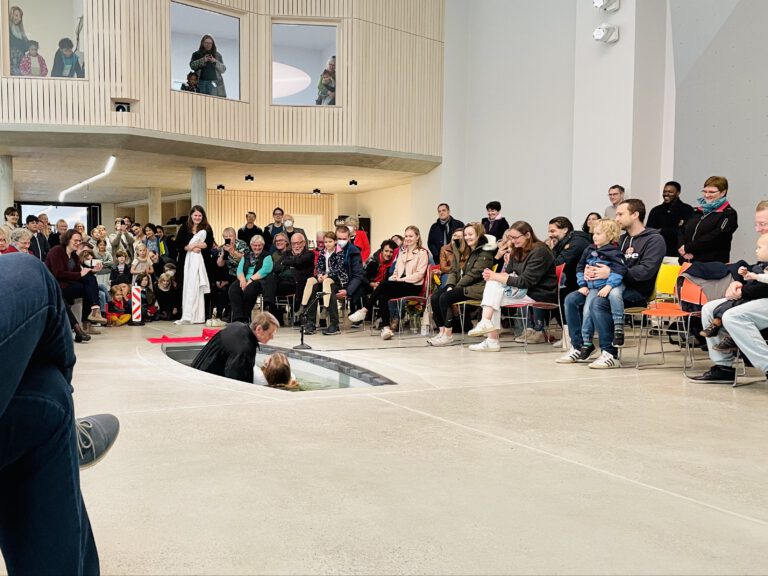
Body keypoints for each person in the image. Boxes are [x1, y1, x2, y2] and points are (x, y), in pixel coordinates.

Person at [0, 254, 120, 575]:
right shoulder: (56, 253)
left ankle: (66, 422)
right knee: (27, 272)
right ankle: (71, 427)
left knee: (44, 395)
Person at [559, 199, 665, 368]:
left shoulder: (654, 240)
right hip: (606, 285)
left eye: (621, 214)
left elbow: (645, 272)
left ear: (635, 215)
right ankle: (579, 346)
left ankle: (610, 353)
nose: (616, 218)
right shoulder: (620, 240)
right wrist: (589, 272)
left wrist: (611, 273)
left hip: (636, 291)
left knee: (599, 303)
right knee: (571, 298)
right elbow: (598, 259)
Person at [690, 213, 768, 385]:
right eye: (756, 224)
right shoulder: (764, 244)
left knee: (733, 316)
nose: (757, 229)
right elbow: (759, 273)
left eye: (762, 223)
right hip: (757, 295)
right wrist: (738, 283)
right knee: (709, 308)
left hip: (762, 297)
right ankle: (723, 367)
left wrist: (744, 291)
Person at [466, 222, 557, 351]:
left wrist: (496, 276)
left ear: (527, 235)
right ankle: (487, 327)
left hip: (538, 292)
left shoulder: (540, 250)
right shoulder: (517, 249)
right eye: (511, 238)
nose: (512, 241)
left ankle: (490, 337)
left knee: (493, 294)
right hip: (522, 291)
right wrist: (494, 277)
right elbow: (509, 272)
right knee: (493, 292)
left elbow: (525, 281)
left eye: (515, 238)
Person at [349, 227, 429, 339]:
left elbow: (419, 275)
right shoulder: (402, 252)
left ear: (417, 237)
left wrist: (400, 279)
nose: (408, 238)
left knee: (383, 284)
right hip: (400, 284)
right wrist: (394, 277)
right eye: (406, 236)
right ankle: (386, 328)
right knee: (383, 294)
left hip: (414, 286)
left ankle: (365, 309)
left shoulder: (422, 253)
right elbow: (396, 271)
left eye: (411, 236)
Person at [428, 223, 496, 347]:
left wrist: (456, 287)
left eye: (471, 234)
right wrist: (450, 285)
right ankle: (442, 332)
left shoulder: (485, 252)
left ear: (479, 234)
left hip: (477, 287)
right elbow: (454, 270)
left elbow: (475, 274)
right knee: (435, 297)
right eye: (465, 235)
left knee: (445, 298)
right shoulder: (463, 249)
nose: (467, 237)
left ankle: (448, 336)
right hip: (463, 285)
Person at [572, 219, 627, 351]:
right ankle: (586, 342)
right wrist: (582, 284)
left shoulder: (615, 252)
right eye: (594, 233)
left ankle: (618, 327)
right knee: (586, 311)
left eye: (599, 234)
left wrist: (609, 286)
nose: (594, 236)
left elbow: (620, 270)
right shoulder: (589, 249)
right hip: (592, 287)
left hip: (610, 285)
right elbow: (580, 267)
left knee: (615, 296)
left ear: (609, 235)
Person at [45, 229, 108, 343]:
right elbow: (57, 273)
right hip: (53, 287)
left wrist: (92, 271)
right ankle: (78, 329)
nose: (78, 243)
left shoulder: (74, 256)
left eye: (79, 240)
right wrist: (80, 273)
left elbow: (78, 276)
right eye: (75, 240)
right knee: (62, 298)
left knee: (90, 279)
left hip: (67, 286)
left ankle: (94, 310)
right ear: (68, 239)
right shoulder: (57, 251)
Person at [301, 227, 364, 336]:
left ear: (349, 238)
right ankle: (310, 322)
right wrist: (320, 275)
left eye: (344, 238)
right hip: (328, 279)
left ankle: (334, 324)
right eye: (339, 238)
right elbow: (321, 265)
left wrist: (348, 290)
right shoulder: (327, 250)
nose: (341, 241)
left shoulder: (353, 251)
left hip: (344, 282)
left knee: (330, 289)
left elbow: (358, 275)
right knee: (314, 287)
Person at [191, 312, 279, 383]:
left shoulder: (237, 326)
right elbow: (237, 382)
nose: (272, 337)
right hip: (204, 383)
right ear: (259, 329)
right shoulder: (245, 349)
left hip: (196, 371)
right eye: (270, 334)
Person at [678, 176, 738, 264]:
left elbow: (716, 237)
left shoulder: (728, 214)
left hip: (710, 265)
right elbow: (682, 230)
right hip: (686, 262)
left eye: (711, 192)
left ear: (723, 192)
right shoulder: (696, 211)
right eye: (705, 191)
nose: (707, 195)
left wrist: (688, 248)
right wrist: (682, 248)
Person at [175, 205, 214, 324]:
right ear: (191, 215)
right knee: (185, 286)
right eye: (195, 215)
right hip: (185, 262)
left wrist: (196, 246)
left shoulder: (207, 228)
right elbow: (178, 244)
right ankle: (186, 313)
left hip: (203, 261)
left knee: (201, 287)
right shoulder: (184, 227)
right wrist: (190, 248)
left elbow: (209, 243)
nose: (197, 217)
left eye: (200, 215)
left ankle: (203, 315)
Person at [228, 235, 273, 324]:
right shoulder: (246, 256)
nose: (257, 247)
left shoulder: (267, 256)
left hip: (258, 280)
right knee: (233, 289)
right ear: (251, 245)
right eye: (255, 245)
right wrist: (242, 280)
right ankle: (238, 318)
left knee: (250, 290)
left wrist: (251, 280)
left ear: (263, 245)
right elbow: (240, 269)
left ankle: (246, 317)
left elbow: (266, 270)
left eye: (259, 245)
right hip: (244, 279)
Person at [546, 216, 591, 302]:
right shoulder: (564, 242)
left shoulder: (576, 243)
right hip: (574, 284)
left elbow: (557, 264)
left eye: (552, 231)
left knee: (543, 294)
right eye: (549, 232)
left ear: (565, 230)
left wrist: (552, 250)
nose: (550, 235)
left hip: (582, 286)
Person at [354, 239, 398, 325]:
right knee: (359, 291)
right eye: (386, 251)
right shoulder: (372, 260)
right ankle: (362, 315)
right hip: (368, 284)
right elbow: (362, 276)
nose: (388, 254)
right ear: (381, 251)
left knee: (384, 293)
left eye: (391, 252)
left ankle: (380, 318)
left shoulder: (394, 264)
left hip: (383, 285)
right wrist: (371, 284)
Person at [646, 181, 694, 257]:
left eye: (670, 192)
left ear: (678, 193)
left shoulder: (687, 209)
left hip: (678, 251)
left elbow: (686, 232)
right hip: (658, 250)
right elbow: (649, 230)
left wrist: (662, 230)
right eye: (664, 191)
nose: (666, 194)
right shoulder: (655, 210)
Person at [214, 227, 248, 322]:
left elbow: (245, 259)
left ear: (235, 236)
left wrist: (232, 252)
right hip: (227, 274)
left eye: (230, 236)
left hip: (239, 273)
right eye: (226, 236)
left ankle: (229, 312)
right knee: (220, 289)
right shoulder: (222, 247)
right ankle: (219, 313)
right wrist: (222, 254)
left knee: (230, 286)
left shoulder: (242, 244)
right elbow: (220, 264)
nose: (228, 238)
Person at [8, 5, 27, 75]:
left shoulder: (21, 32)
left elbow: (26, 47)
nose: (18, 18)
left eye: (20, 17)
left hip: (21, 63)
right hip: (11, 62)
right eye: (16, 15)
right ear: (11, 15)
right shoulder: (7, 30)